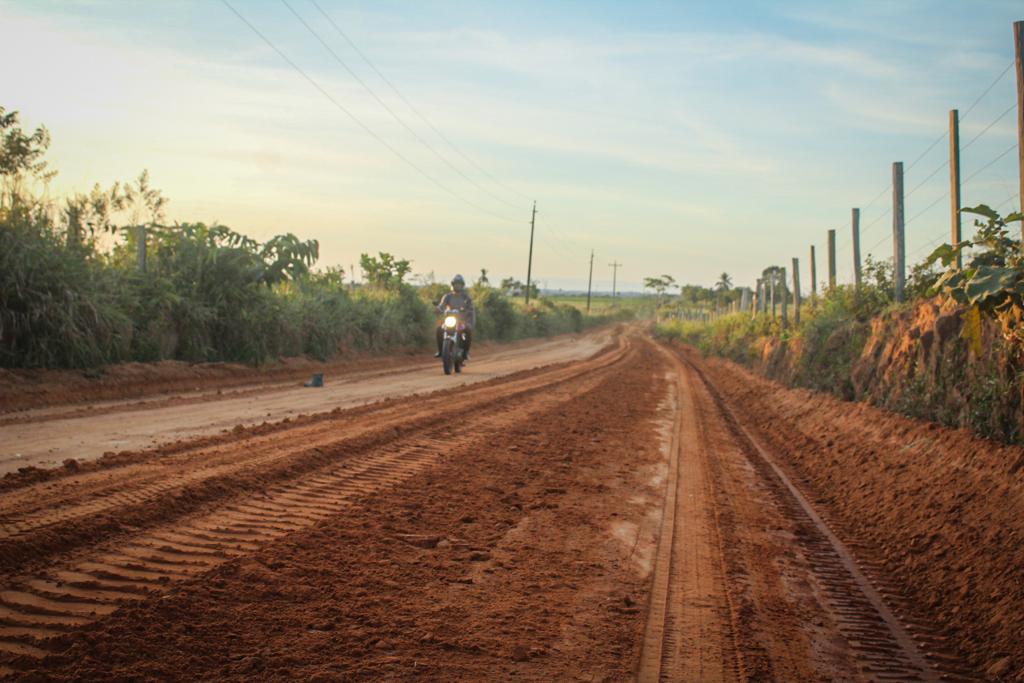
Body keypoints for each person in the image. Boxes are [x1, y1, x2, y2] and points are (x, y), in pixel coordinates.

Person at [435, 274, 476, 360]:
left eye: (459, 284)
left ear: (462, 285)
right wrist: (438, 309)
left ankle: (465, 352)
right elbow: (441, 305)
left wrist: (469, 312)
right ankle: (440, 351)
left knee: (468, 330)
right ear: (453, 285)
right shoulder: (447, 296)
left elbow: (470, 308)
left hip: (461, 321)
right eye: (456, 284)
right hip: (449, 320)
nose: (457, 285)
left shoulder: (466, 297)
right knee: (439, 329)